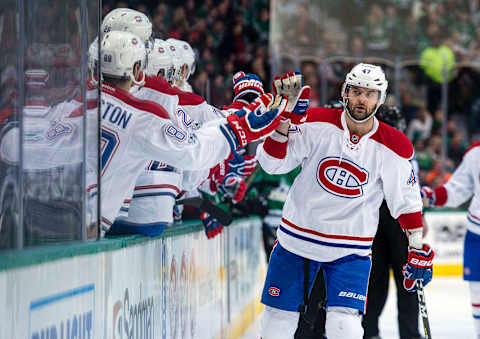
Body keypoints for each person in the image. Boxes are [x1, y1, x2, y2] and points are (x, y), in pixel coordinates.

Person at [256, 65, 434, 338]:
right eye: (357, 91)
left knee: (346, 328)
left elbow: (407, 204)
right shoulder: (314, 122)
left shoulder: (394, 145)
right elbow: (272, 164)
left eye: (370, 94)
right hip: (296, 243)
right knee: (275, 326)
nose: (362, 99)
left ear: (381, 99)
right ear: (345, 93)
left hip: (349, 252)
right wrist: (282, 122)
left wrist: (416, 248)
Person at [89, 29, 288, 236]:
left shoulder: (75, 102)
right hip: (145, 212)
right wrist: (243, 114)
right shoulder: (147, 112)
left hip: (80, 221)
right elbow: (193, 156)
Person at [362, 105, 424, 339]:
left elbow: (412, 189)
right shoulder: (382, 148)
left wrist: (419, 220)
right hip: (386, 221)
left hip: (390, 220)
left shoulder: (400, 150)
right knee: (384, 282)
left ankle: (374, 332)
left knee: (387, 281)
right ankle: (375, 332)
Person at [421, 141, 480, 339]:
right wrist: (432, 197)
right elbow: (458, 189)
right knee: (478, 295)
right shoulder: (475, 152)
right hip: (476, 234)